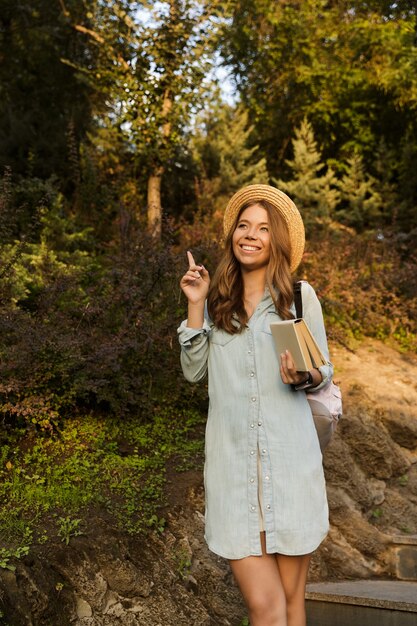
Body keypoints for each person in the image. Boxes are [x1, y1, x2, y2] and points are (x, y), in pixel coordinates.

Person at [178, 184, 332, 626]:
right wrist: (195, 306)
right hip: (234, 477)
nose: (250, 234)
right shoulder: (216, 302)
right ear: (233, 237)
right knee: (265, 606)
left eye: (263, 228)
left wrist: (304, 375)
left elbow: (324, 370)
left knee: (291, 603)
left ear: (276, 241)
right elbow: (193, 371)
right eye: (243, 225)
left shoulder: (298, 299)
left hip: (290, 472)